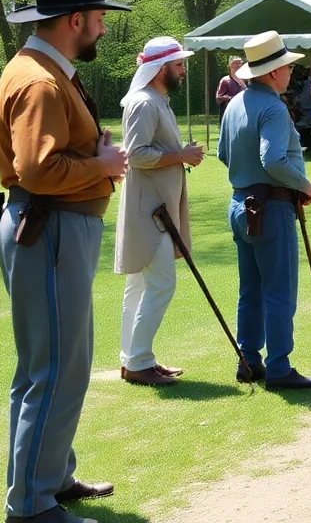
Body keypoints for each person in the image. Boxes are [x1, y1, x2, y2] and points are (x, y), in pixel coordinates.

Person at [0, 0, 130, 523]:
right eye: (97, 18)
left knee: (51, 366)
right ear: (75, 20)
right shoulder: (42, 80)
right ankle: (31, 506)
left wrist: (96, 157)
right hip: (49, 231)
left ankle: (52, 476)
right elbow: (37, 170)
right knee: (52, 370)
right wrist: (100, 164)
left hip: (51, 232)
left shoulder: (47, 70)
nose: (101, 28)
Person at [218, 31, 311, 391]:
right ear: (274, 72)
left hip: (240, 203)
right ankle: (279, 366)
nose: (290, 72)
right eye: (286, 66)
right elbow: (273, 159)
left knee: (251, 289)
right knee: (279, 291)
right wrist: (305, 186)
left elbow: (223, 154)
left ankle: (249, 359)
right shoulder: (274, 108)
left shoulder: (235, 104)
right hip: (271, 207)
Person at [115, 37, 203, 387]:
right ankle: (137, 361)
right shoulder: (144, 103)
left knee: (140, 285)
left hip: (154, 206)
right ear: (160, 68)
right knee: (160, 282)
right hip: (149, 210)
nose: (183, 70)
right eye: (179, 65)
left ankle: (135, 357)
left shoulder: (156, 100)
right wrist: (181, 155)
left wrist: (179, 155)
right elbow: (136, 154)